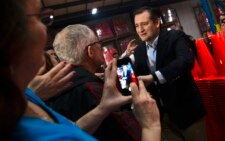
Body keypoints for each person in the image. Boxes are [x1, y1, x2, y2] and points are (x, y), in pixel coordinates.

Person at [0, 0, 161, 140]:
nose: (45, 28)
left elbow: (73, 126)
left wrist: (103, 107)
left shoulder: (28, 94)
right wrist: (150, 126)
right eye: (39, 18)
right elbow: (129, 133)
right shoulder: (89, 88)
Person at [47, 24, 141, 141]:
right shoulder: (90, 87)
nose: (101, 48)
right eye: (98, 44)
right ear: (90, 51)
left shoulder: (53, 88)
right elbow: (128, 133)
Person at [131, 6, 206, 141]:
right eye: (137, 26)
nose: (140, 30)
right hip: (162, 118)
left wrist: (155, 77)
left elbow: (186, 60)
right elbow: (139, 78)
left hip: (187, 111)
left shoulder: (174, 37)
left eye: (144, 24)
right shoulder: (139, 50)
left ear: (157, 22)